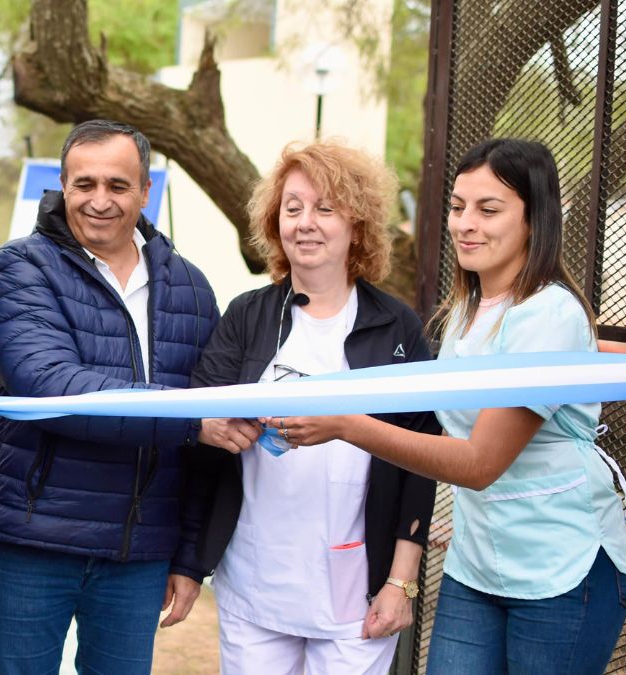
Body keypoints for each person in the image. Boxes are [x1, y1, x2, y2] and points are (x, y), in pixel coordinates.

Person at [278, 138, 626, 673]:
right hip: (477, 564)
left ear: (534, 219)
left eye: (489, 210)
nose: (466, 223)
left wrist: (347, 425)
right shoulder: (466, 309)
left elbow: (477, 464)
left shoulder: (550, 312)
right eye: (458, 206)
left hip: (563, 567)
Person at [184, 141, 440, 674]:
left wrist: (400, 581)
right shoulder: (248, 316)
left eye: (325, 208)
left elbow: (421, 463)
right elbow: (198, 421)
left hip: (356, 596)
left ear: (358, 223)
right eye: (293, 208)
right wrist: (210, 429)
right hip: (257, 585)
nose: (305, 222)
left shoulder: (397, 328)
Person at [0, 119, 219, 674]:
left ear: (145, 191)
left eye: (118, 185)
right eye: (84, 184)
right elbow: (52, 385)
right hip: (34, 540)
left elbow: (212, 439)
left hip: (139, 554)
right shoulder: (21, 267)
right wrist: (188, 422)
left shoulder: (192, 288)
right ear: (63, 185)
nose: (100, 201)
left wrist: (189, 557)